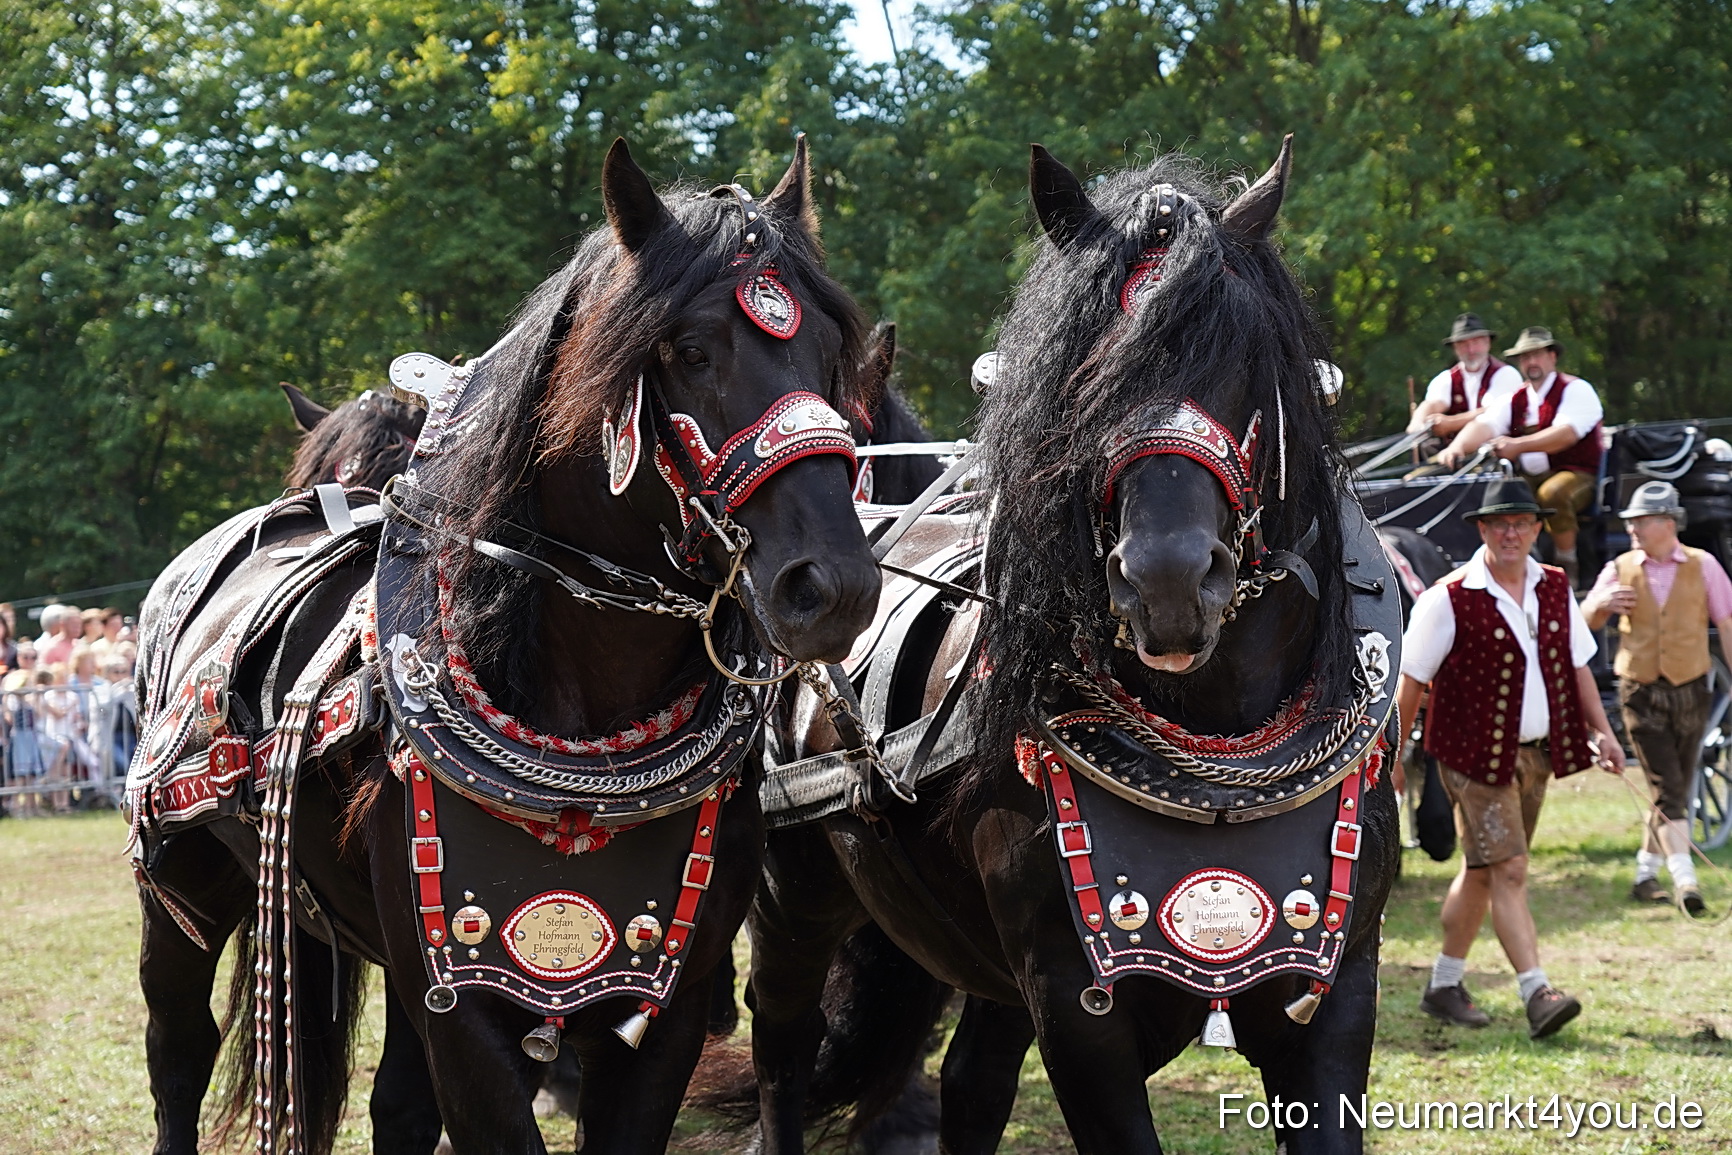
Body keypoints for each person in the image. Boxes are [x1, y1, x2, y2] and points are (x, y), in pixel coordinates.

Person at [1395, 478, 1625, 1039]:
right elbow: (1411, 683)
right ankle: (1536, 991)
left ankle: (1444, 986)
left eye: (1521, 523)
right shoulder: (1446, 598)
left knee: (1483, 870)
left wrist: (1604, 731)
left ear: (1538, 528)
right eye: (1499, 523)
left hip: (1535, 757)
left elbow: (1575, 666)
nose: (1510, 533)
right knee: (1511, 869)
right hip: (1470, 759)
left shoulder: (1553, 586)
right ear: (1481, 529)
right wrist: (1394, 756)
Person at [1581, 481, 1732, 915]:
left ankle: (1645, 874)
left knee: (1674, 786)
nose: (1631, 529)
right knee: (1668, 788)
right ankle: (1687, 881)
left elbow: (1726, 623)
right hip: (1640, 692)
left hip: (1691, 691)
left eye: (1640, 521)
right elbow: (1585, 621)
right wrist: (1603, 603)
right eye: (1630, 522)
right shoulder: (1620, 567)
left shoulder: (1704, 567)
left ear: (1668, 524)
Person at [1437, 327, 1605, 585]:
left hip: (1577, 473)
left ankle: (1567, 563)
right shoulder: (1516, 398)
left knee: (1553, 494)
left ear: (1552, 357)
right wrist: (1457, 447)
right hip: (1529, 476)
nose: (1531, 362)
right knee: (1499, 497)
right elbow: (1485, 425)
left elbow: (1565, 435)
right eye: (1525, 357)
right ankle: (1513, 565)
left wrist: (1516, 446)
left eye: (1537, 355)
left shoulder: (1576, 389)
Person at [1408, 313, 1523, 439]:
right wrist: (1417, 422)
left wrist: (1451, 423)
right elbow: (1432, 404)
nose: (1471, 350)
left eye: (1475, 342)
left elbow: (1493, 411)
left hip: (1496, 451)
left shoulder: (1506, 374)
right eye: (1463, 344)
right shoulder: (1446, 378)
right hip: (1452, 454)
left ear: (1487, 342)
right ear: (1455, 348)